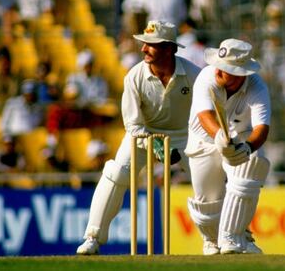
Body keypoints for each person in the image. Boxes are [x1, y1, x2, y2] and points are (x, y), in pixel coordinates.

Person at [76, 20, 201, 255]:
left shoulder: (194, 75)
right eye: (143, 43)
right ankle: (93, 237)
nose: (143, 49)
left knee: (209, 179)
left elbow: (206, 111)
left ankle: (219, 240)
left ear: (169, 49)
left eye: (150, 45)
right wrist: (154, 145)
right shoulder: (134, 76)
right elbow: (133, 125)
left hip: (185, 135)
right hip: (144, 134)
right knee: (116, 172)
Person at [185, 38, 271, 255]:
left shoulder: (257, 86)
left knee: (255, 164)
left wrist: (247, 148)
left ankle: (235, 237)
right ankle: (212, 240)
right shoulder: (206, 76)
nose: (219, 70)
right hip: (204, 140)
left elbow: (262, 127)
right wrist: (221, 137)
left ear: (241, 73)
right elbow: (205, 116)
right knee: (207, 204)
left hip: (241, 137)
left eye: (226, 68)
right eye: (219, 65)